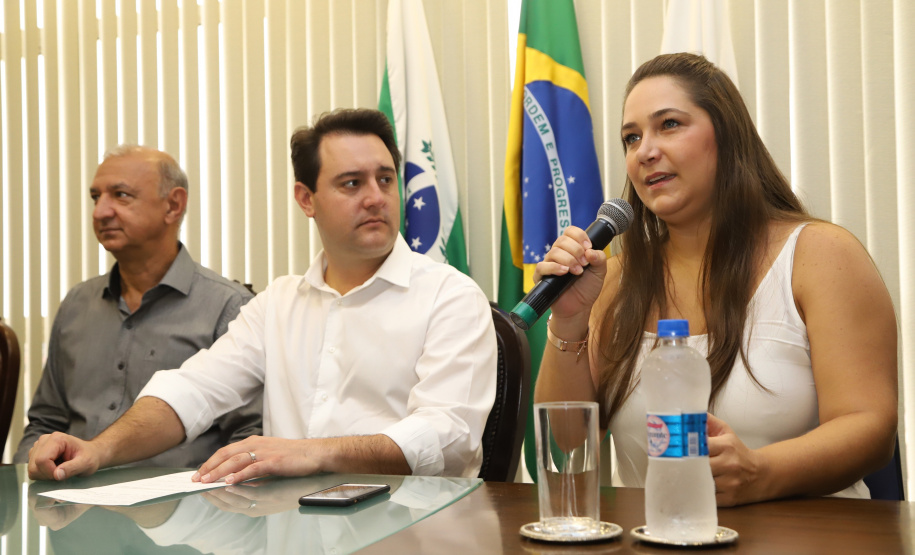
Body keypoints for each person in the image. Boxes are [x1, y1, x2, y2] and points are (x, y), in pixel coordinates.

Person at [27, 108, 497, 483]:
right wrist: (98, 450)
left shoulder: (449, 296)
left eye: (385, 179)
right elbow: (193, 391)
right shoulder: (279, 303)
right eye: (352, 183)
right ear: (306, 199)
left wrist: (310, 454)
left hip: (416, 531)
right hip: (292, 531)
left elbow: (447, 437)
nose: (376, 197)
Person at [533, 53, 897, 507]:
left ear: (726, 135)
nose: (645, 150)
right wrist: (568, 323)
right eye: (631, 137)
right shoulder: (616, 279)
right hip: (659, 537)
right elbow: (567, 448)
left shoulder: (821, 255)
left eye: (669, 124)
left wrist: (762, 473)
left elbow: (870, 427)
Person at [14, 146, 260, 468]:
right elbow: (45, 424)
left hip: (182, 510)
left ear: (173, 205)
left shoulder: (230, 306)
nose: (100, 211)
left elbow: (248, 440)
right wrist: (29, 476)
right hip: (73, 504)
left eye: (121, 195)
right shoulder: (77, 304)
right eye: (95, 197)